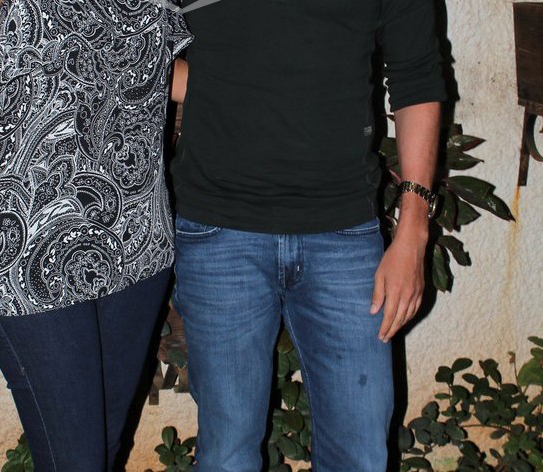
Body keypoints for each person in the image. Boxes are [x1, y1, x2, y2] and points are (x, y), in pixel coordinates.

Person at [0, 0, 191, 470]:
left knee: (100, 454)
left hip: (138, 246)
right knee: (77, 461)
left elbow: (148, 66)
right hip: (27, 256)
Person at [170, 0, 446, 470]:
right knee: (226, 455)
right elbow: (132, 46)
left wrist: (413, 232)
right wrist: (223, 83)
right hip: (219, 228)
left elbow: (417, 75)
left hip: (346, 234)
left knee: (359, 455)